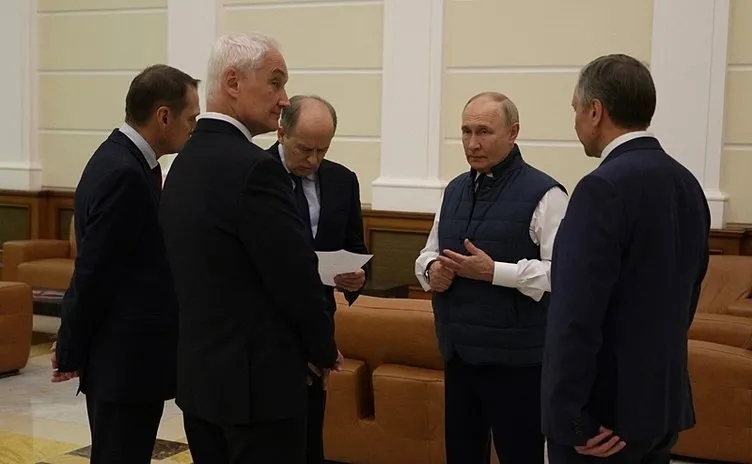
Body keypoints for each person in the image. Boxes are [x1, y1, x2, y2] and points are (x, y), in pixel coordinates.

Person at [159, 32, 340, 464]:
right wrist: (321, 348)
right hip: (258, 392)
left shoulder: (181, 164)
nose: (284, 99)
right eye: (275, 83)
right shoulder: (256, 169)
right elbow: (293, 275)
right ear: (233, 82)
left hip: (201, 384)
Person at [541, 54, 711, 464]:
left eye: (576, 109)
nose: (576, 122)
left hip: (601, 421)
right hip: (658, 409)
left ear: (595, 111)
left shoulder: (601, 188)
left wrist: (569, 419)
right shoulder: (687, 183)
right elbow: (686, 299)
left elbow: (575, 314)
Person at [51, 64, 200, 463]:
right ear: (163, 116)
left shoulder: (121, 158)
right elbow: (95, 272)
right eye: (191, 118)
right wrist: (70, 346)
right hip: (125, 362)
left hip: (128, 360)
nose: (194, 127)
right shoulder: (125, 173)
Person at [414, 92, 568, 463]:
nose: (472, 143)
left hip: (518, 363)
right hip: (460, 355)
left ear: (513, 132)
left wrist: (495, 272)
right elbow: (428, 253)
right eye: (466, 131)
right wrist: (431, 271)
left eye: (483, 132)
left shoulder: (546, 194)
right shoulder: (453, 190)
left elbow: (563, 274)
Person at [268, 94, 368, 464]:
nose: (313, 160)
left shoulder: (342, 180)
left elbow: (356, 247)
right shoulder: (254, 173)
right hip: (267, 331)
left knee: (309, 439)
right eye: (304, 149)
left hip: (319, 327)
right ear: (281, 133)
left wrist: (357, 278)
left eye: (322, 150)